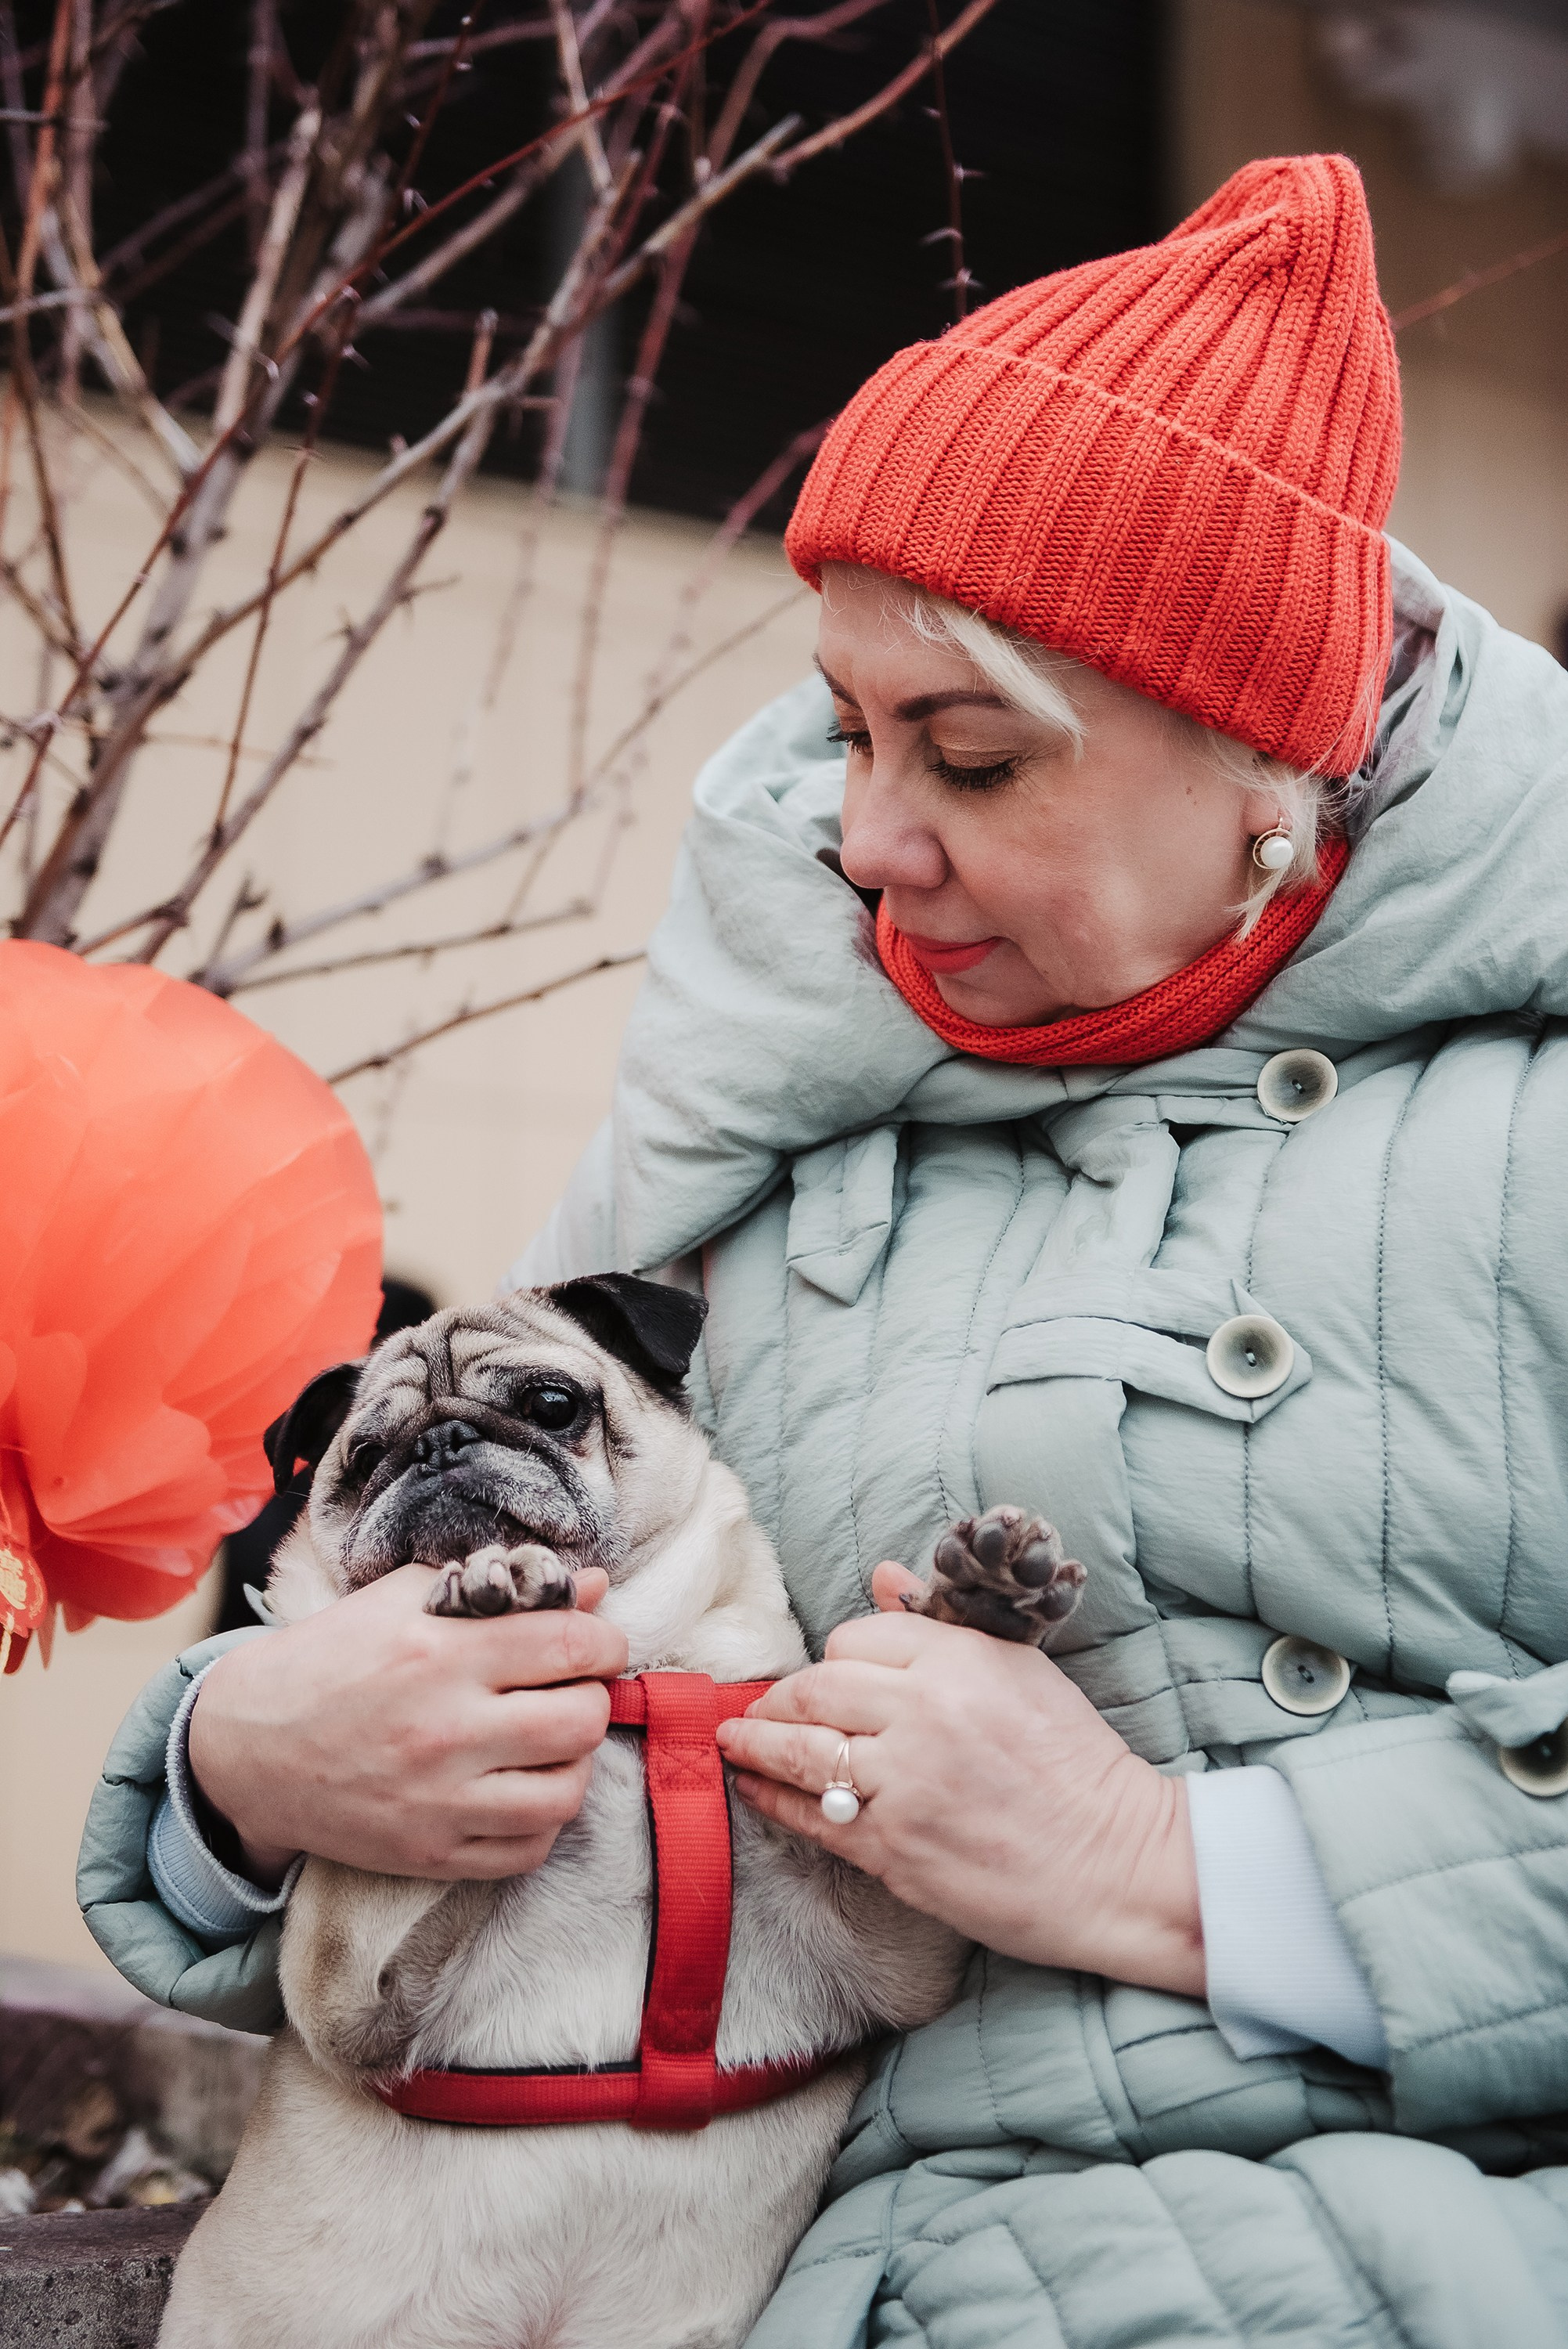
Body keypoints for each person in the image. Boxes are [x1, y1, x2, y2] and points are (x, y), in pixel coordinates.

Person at [81, 154, 1568, 2340]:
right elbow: (457, 1566)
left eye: (965, 755)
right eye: (850, 735)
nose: (868, 840)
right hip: (794, 2264)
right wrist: (245, 1768)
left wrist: (1168, 1870)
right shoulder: (756, 1133)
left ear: (1273, 760)